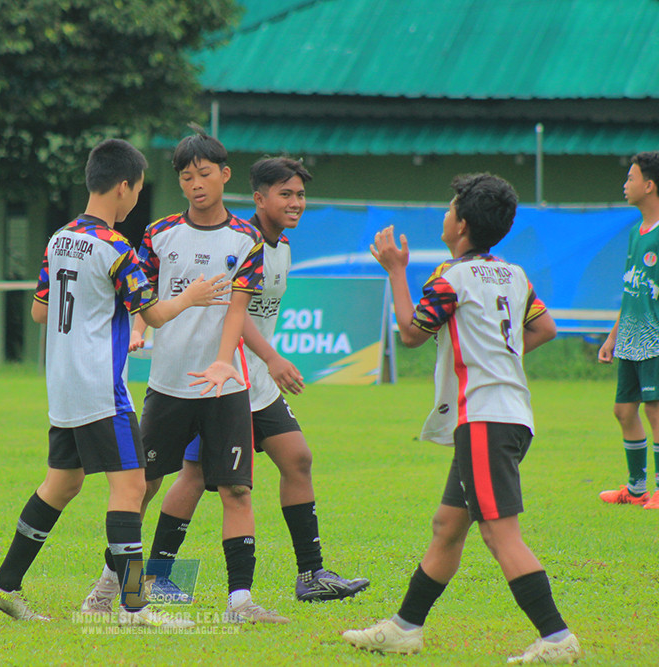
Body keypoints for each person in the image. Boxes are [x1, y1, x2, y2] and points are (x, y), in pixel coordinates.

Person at [0, 138, 230, 627]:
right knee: (131, 487)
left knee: (62, 484)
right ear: (124, 187)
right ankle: (134, 607)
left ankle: (3, 586)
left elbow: (39, 311)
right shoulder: (116, 247)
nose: (136, 197)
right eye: (138, 189)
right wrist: (193, 296)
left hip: (63, 385)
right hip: (100, 387)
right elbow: (153, 314)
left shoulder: (59, 239)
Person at [342, 173, 583, 664]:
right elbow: (545, 328)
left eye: (451, 208)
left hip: (485, 421)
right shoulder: (513, 275)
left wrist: (395, 270)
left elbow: (411, 333)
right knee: (447, 527)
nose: (446, 214)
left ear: (462, 224)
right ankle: (405, 629)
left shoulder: (451, 278)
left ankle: (557, 638)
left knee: (499, 534)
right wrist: (498, 358)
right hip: (509, 416)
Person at [81, 127, 289, 624]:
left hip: (225, 388)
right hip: (168, 386)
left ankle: (240, 603)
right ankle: (110, 588)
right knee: (141, 488)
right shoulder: (159, 234)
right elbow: (143, 296)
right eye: (186, 177)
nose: (196, 184)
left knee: (237, 490)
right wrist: (137, 329)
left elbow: (237, 308)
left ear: (225, 175)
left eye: (204, 174)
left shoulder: (246, 240)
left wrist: (223, 361)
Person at [145, 156, 370, 602]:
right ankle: (154, 579)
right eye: (285, 194)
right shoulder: (238, 241)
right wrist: (272, 357)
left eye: (300, 194)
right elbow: (234, 309)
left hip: (255, 384)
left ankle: (311, 575)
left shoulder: (281, 246)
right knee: (193, 478)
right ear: (259, 199)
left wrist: (266, 363)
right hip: (221, 380)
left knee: (297, 459)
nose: (296, 202)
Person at [597, 151, 659, 510]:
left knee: (655, 411)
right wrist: (613, 336)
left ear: (649, 185)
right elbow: (631, 289)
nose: (625, 184)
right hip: (632, 339)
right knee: (623, 411)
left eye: (631, 178)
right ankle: (637, 490)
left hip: (655, 339)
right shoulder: (637, 232)